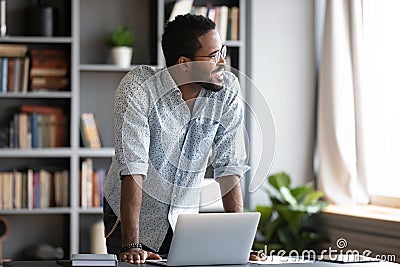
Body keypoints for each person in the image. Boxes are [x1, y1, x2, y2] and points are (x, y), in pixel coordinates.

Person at [103, 13, 263, 264]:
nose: (223, 62)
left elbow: (229, 166)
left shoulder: (227, 89)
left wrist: (240, 244)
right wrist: (131, 244)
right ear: (184, 63)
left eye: (221, 51)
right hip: (132, 219)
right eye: (213, 56)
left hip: (184, 220)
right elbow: (133, 167)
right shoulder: (138, 87)